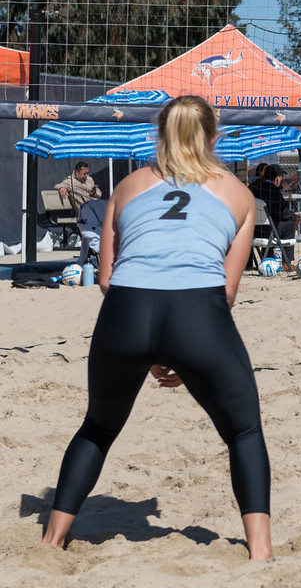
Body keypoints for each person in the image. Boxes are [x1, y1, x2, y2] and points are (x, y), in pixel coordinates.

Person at [42, 95, 272, 560]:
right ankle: (261, 553)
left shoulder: (127, 187)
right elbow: (226, 293)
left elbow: (105, 277)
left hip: (124, 312)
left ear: (160, 136)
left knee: (97, 427)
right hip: (197, 314)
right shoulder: (239, 193)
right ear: (213, 135)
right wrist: (184, 354)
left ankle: (51, 540)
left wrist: (148, 348)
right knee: (243, 431)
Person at [256, 165, 301, 265]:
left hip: (256, 230)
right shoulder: (273, 190)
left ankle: (268, 256)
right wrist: (295, 217)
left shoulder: (259, 189)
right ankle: (286, 263)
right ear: (277, 177)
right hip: (268, 231)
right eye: (281, 176)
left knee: (279, 224)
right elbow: (282, 213)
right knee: (289, 225)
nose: (281, 179)